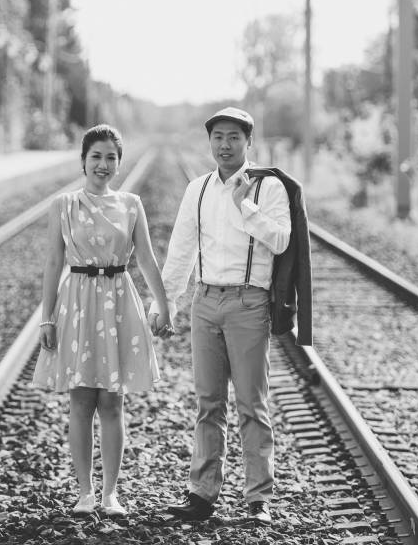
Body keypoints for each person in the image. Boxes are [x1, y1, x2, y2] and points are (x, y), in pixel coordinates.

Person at [150, 107, 291, 525]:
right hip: (206, 302)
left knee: (252, 404)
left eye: (233, 137)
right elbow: (180, 249)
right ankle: (201, 495)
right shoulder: (197, 189)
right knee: (208, 404)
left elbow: (281, 241)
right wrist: (167, 302)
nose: (225, 145)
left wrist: (245, 206)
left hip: (249, 303)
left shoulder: (270, 189)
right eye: (218, 138)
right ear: (210, 142)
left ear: (249, 142)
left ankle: (258, 499)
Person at [31, 124, 173, 518]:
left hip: (118, 301)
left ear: (118, 162)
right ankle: (84, 492)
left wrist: (163, 305)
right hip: (76, 301)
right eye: (96, 156)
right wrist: (46, 318)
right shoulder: (63, 205)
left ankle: (110, 493)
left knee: (113, 402)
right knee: (80, 401)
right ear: (83, 160)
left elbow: (145, 259)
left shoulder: (131, 204)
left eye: (111, 157)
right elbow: (53, 263)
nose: (103, 164)